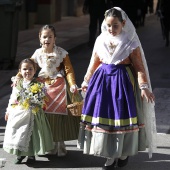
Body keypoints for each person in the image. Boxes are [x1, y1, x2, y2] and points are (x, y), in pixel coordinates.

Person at [77, 7, 157, 170]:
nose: (111, 29)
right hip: (102, 84)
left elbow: (139, 67)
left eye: (115, 25)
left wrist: (144, 87)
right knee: (103, 119)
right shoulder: (101, 40)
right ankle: (109, 157)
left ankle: (122, 153)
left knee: (120, 119)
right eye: (108, 25)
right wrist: (86, 81)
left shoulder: (130, 41)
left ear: (123, 24)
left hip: (123, 84)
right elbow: (94, 63)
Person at [14, 25, 82, 157]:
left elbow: (68, 71)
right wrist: (18, 77)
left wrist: (73, 84)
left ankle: (59, 146)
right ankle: (47, 144)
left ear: (55, 39)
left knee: (59, 118)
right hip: (42, 88)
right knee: (43, 117)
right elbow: (27, 66)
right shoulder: (37, 53)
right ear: (40, 38)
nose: (47, 39)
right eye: (44, 37)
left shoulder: (62, 53)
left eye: (50, 36)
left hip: (59, 86)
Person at [3, 58, 54, 164]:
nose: (27, 71)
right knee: (18, 133)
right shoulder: (18, 83)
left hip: (33, 113)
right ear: (20, 71)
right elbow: (13, 98)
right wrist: (8, 111)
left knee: (32, 135)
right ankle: (20, 154)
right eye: (25, 69)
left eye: (30, 69)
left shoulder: (39, 84)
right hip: (19, 112)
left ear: (35, 71)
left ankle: (31, 154)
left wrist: (38, 100)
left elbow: (43, 98)